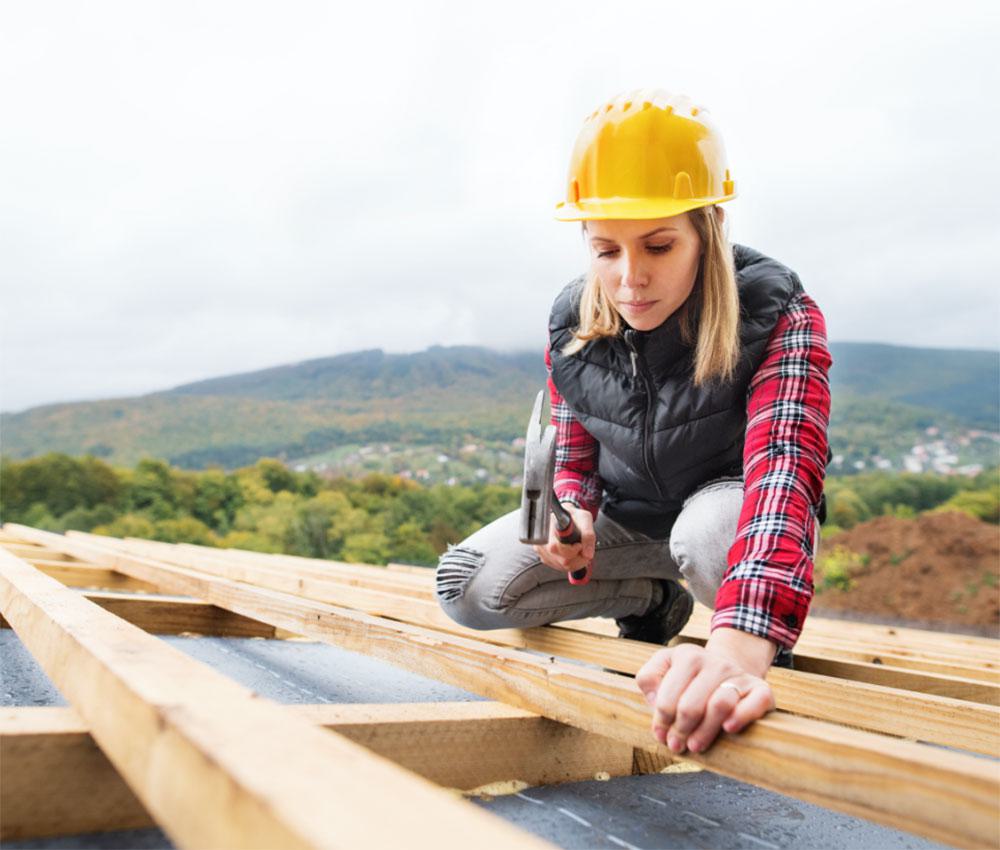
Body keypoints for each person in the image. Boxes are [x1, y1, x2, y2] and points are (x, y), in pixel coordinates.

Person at [435, 89, 832, 754]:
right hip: (636, 522)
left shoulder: (778, 310)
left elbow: (783, 479)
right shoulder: (571, 323)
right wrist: (577, 513)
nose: (629, 281)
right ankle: (651, 601)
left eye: (657, 245)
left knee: (709, 534)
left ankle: (748, 650)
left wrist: (734, 651)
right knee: (467, 588)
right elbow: (575, 455)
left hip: (732, 523)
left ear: (706, 229)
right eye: (606, 250)